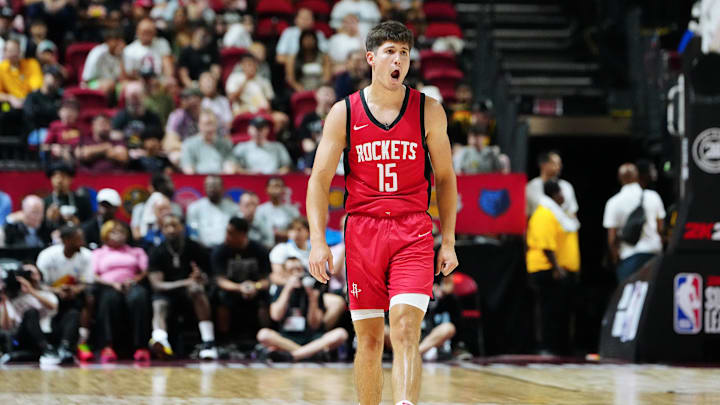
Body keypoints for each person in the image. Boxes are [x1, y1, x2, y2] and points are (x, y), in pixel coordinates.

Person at [306, 21, 458, 405]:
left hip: (413, 230)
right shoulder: (344, 113)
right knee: (370, 340)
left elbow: (445, 178)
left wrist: (450, 241)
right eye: (391, 51)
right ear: (371, 58)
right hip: (363, 231)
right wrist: (317, 242)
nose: (398, 60)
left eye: (404, 53)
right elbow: (318, 181)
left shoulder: (429, 110)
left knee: (406, 327)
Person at [148, 214, 217, 359]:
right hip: (166, 293)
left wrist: (201, 278)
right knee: (159, 304)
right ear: (162, 229)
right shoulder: (157, 251)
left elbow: (210, 277)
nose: (171, 230)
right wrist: (185, 282)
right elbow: (157, 285)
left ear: (183, 228)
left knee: (197, 290)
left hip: (188, 294)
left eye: (175, 225)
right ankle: (161, 341)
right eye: (167, 226)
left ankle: (208, 342)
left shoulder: (195, 247)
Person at [256, 257, 349, 362]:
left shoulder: (313, 290)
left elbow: (315, 324)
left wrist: (312, 299)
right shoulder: (280, 289)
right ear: (285, 274)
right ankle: (308, 354)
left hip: (311, 338)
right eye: (292, 271)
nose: (296, 274)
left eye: (299, 270)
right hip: (287, 338)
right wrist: (288, 288)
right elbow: (276, 316)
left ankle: (293, 356)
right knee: (263, 334)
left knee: (341, 334)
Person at [526, 180, 580, 355]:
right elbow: (546, 245)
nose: (563, 196)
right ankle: (547, 346)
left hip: (557, 270)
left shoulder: (558, 213)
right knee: (549, 311)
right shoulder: (544, 213)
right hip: (546, 269)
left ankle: (560, 346)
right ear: (554, 194)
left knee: (559, 310)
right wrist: (556, 268)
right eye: (560, 193)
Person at [91, 220, 151, 362]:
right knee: (109, 299)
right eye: (114, 231)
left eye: (122, 232)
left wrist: (134, 281)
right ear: (105, 235)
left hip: (131, 284)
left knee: (139, 297)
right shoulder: (99, 253)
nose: (119, 235)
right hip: (108, 286)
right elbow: (94, 275)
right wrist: (112, 284)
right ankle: (108, 346)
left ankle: (141, 347)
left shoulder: (136, 251)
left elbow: (145, 271)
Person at [35, 225, 95, 361]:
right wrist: (57, 290)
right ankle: (45, 345)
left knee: (87, 299)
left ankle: (79, 343)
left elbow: (87, 282)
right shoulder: (47, 255)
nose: (82, 242)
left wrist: (74, 290)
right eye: (78, 239)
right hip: (50, 293)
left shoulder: (86, 255)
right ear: (66, 240)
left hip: (74, 293)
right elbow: (38, 284)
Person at [211, 217, 270, 343]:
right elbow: (220, 280)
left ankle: (265, 339)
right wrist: (239, 288)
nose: (227, 236)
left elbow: (267, 280)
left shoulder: (259, 250)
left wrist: (256, 286)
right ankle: (224, 341)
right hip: (232, 289)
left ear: (242, 234)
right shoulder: (220, 251)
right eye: (227, 232)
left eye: (231, 233)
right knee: (220, 296)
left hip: (255, 288)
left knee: (265, 297)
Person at [603, 163, 666, 282]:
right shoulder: (653, 196)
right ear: (637, 176)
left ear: (619, 178)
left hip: (628, 257)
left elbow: (611, 238)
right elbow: (661, 229)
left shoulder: (613, 202)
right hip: (654, 254)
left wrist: (615, 259)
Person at [0, 262, 64, 365]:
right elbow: (6, 326)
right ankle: (46, 349)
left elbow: (53, 306)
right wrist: (4, 301)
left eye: (32, 272)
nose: (30, 275)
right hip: (21, 336)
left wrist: (31, 291)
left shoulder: (43, 293)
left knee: (32, 312)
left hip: (44, 333)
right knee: (30, 313)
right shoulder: (11, 299)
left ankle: (47, 348)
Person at [0, 39, 42, 137]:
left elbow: (36, 87)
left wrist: (25, 100)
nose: (13, 53)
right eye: (10, 51)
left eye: (16, 50)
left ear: (20, 51)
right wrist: (10, 98)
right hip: (8, 104)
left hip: (29, 103)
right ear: (5, 53)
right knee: (5, 112)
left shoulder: (32, 64)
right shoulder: (1, 69)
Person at [186, 175, 239, 248]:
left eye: (215, 185)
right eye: (208, 185)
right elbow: (193, 232)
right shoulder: (195, 207)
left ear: (223, 188)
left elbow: (236, 231)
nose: (211, 188)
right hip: (201, 249)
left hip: (226, 248)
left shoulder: (233, 208)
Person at [180, 109, 234, 175]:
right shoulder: (188, 144)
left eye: (212, 124)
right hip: (198, 180)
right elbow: (188, 169)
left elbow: (230, 166)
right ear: (199, 125)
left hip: (221, 180)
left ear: (216, 125)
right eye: (206, 124)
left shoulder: (225, 144)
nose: (209, 128)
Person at [526, 151, 578, 218]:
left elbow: (572, 213)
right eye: (555, 163)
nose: (559, 167)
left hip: (562, 227)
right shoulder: (531, 186)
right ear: (543, 165)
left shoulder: (566, 186)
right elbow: (527, 213)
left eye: (560, 164)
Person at [43, 161, 94, 227]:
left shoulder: (82, 202)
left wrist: (79, 224)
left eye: (63, 176)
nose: (59, 181)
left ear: (71, 179)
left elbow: (91, 225)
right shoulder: (45, 203)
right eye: (55, 176)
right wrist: (48, 219)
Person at [255, 177, 300, 245]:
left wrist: (284, 234)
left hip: (289, 246)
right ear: (267, 189)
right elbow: (257, 231)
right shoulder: (260, 210)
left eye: (279, 186)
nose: (276, 189)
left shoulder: (292, 210)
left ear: (284, 189)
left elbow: (298, 230)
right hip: (265, 246)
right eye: (273, 186)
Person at [81, 28, 126, 96]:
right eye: (116, 40)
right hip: (91, 83)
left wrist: (121, 57)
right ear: (108, 41)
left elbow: (121, 78)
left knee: (127, 86)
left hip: (113, 84)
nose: (118, 43)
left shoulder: (120, 54)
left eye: (120, 40)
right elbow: (87, 78)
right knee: (109, 84)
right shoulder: (98, 52)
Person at [43, 98, 83, 163]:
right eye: (65, 110)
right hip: (59, 156)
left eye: (72, 110)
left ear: (77, 113)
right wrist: (54, 147)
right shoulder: (54, 126)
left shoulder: (80, 127)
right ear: (59, 112)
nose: (68, 113)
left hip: (77, 154)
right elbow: (44, 146)